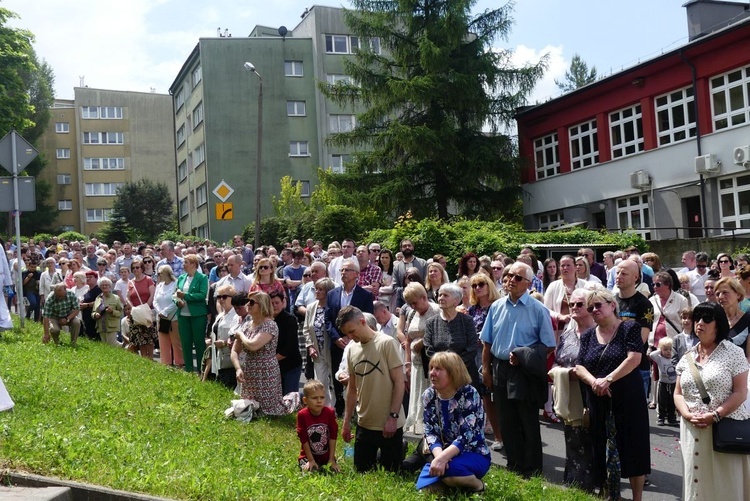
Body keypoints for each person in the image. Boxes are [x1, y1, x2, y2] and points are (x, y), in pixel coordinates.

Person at [480, 262, 556, 478]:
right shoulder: (496, 307)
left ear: (529, 283)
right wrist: (486, 371)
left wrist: (524, 355)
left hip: (523, 370)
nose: (510, 280)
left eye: (517, 277)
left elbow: (549, 344)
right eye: (508, 275)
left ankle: (532, 468)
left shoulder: (538, 309)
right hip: (500, 367)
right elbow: (487, 342)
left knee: (527, 420)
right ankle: (514, 464)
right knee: (506, 419)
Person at [575, 288, 650, 501]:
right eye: (590, 308)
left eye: (598, 305)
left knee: (634, 448)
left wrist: (608, 379)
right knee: (601, 447)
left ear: (612, 305)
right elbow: (579, 365)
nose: (594, 310)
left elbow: (634, 359)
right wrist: (595, 382)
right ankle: (608, 494)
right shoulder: (589, 334)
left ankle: (637, 498)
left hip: (628, 398)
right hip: (598, 399)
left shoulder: (630, 328)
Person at [673, 302, 750, 501]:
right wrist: (687, 414)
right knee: (696, 483)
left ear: (719, 325)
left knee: (725, 486)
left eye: (707, 319)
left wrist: (715, 415)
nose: (700, 323)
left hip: (724, 428)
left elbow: (741, 392)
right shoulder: (688, 356)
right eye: (697, 318)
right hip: (692, 428)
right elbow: (678, 393)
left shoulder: (734, 353)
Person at [339, 306, 405, 472]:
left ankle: (401, 447)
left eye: (352, 332)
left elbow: (399, 382)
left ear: (362, 322)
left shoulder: (387, 343)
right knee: (361, 472)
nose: (350, 337)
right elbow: (352, 388)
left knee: (392, 474)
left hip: (389, 424)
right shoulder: (352, 349)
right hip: (364, 423)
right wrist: (346, 421)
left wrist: (393, 417)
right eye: (347, 334)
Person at [416, 351, 491, 493]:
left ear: (453, 372)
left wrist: (442, 460)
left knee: (448, 472)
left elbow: (466, 436)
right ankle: (451, 483)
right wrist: (439, 458)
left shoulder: (469, 394)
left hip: (473, 453)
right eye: (431, 368)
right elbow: (430, 432)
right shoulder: (429, 395)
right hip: (444, 453)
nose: (432, 373)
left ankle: (478, 486)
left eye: (438, 369)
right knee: (424, 488)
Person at [550, 289, 595, 493]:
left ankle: (591, 484)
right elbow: (559, 358)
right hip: (568, 392)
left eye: (579, 304)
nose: (574, 308)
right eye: (572, 305)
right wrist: (560, 371)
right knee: (572, 438)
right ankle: (574, 482)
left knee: (589, 440)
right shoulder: (568, 331)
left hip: (589, 394)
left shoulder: (596, 333)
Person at [230, 291, 294, 416]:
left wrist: (240, 335)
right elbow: (234, 351)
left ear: (262, 305)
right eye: (247, 301)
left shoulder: (270, 325)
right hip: (249, 371)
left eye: (252, 302)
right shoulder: (246, 325)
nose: (248, 304)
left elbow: (253, 345)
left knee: (267, 411)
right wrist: (238, 368)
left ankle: (294, 398)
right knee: (250, 408)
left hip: (266, 372)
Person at [326, 258, 374, 416]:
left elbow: (367, 319)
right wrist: (335, 337)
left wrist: (350, 337)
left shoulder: (365, 295)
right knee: (338, 376)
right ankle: (340, 409)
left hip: (357, 342)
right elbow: (327, 319)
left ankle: (358, 409)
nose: (343, 273)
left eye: (347, 270)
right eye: (342, 270)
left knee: (357, 374)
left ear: (356, 274)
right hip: (337, 344)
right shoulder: (332, 294)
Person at [467, 273, 503, 450]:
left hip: (494, 354)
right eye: (474, 285)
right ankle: (494, 436)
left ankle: (502, 434)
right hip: (475, 354)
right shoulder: (472, 309)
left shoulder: (497, 307)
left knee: (498, 396)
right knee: (483, 395)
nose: (478, 288)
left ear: (489, 285)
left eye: (481, 284)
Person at [402, 282, 441, 434]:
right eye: (410, 304)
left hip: (431, 362)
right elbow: (408, 340)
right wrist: (407, 363)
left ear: (424, 297)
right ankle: (417, 426)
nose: (412, 306)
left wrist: (423, 343)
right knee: (417, 394)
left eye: (415, 302)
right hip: (416, 363)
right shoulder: (412, 314)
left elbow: (441, 334)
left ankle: (431, 426)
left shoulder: (437, 310)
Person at [424, 283, 479, 390]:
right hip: (440, 378)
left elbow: (472, 348)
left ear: (456, 301)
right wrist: (443, 368)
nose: (441, 298)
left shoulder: (467, 321)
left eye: (445, 295)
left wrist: (453, 367)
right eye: (439, 295)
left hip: (465, 375)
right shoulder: (431, 322)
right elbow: (428, 349)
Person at [304, 278, 337, 407]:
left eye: (320, 289)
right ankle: (323, 407)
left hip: (331, 349)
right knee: (320, 381)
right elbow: (306, 329)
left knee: (334, 381)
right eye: (316, 289)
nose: (316, 291)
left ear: (328, 291)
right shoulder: (311, 307)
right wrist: (310, 346)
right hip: (317, 350)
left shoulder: (333, 307)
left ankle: (334, 408)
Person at [296, 379, 340, 473]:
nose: (319, 401)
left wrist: (331, 459)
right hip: (307, 456)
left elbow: (333, 435)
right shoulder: (302, 415)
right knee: (310, 471)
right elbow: (303, 439)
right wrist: (311, 460)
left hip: (326, 457)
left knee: (334, 471)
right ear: (305, 400)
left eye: (322, 397)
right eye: (315, 398)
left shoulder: (329, 413)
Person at [175, 254, 208, 373]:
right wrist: (177, 301)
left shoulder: (202, 278)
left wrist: (186, 296)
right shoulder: (181, 278)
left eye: (186, 263)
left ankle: (201, 370)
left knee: (199, 342)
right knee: (185, 343)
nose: (183, 265)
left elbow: (202, 295)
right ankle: (188, 370)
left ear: (193, 264)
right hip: (183, 315)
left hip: (197, 315)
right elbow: (175, 294)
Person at [544, 255, 588, 335]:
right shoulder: (553, 286)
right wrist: (559, 316)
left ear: (575, 267)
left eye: (568, 265)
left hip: (583, 329)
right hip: (560, 331)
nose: (565, 268)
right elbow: (545, 309)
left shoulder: (586, 285)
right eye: (562, 266)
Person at [270, 289, 303, 395]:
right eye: (271, 303)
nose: (274, 306)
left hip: (290, 365)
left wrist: (270, 360)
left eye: (277, 303)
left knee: (290, 397)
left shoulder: (290, 319)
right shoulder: (267, 320)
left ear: (283, 303)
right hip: (276, 364)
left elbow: (290, 346)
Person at [126, 259, 157, 359]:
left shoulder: (148, 280)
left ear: (142, 268)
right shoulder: (130, 282)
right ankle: (144, 359)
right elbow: (128, 297)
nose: (135, 269)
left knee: (149, 338)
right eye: (133, 268)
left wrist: (146, 307)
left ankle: (151, 358)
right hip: (135, 314)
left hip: (147, 312)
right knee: (140, 338)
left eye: (137, 267)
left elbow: (152, 294)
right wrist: (133, 308)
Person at [153, 265, 183, 367]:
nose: (157, 276)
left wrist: (165, 311)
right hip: (161, 318)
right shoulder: (159, 286)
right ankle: (166, 363)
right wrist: (160, 312)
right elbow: (155, 301)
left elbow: (176, 301)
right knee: (163, 342)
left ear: (165, 273)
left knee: (176, 342)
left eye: (159, 273)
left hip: (173, 318)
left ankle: (180, 363)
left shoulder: (176, 284)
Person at [714, 277, 750, 359]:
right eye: (717, 294)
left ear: (738, 294)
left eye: (725, 292)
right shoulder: (714, 320)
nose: (721, 297)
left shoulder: (748, 320)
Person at [649, 337, 677, 425]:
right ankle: (661, 417)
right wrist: (659, 350)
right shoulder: (660, 358)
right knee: (662, 401)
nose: (668, 351)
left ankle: (671, 417)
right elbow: (651, 355)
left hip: (673, 384)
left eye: (669, 349)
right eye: (665, 350)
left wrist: (672, 350)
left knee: (672, 402)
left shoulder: (674, 358)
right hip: (663, 383)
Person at [92, 277, 123, 347]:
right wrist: (95, 314)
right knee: (105, 346)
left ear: (110, 286)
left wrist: (112, 311)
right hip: (101, 326)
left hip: (111, 325)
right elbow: (93, 312)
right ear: (100, 287)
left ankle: (126, 348)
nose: (104, 286)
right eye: (102, 285)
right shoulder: (98, 298)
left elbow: (120, 312)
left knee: (112, 344)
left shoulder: (116, 298)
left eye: (106, 285)